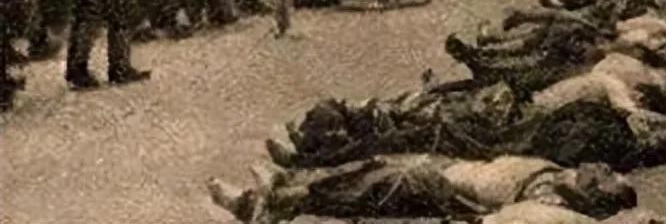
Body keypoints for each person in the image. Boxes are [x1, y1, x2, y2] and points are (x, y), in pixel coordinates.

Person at [208, 154, 638, 224]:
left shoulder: (556, 206)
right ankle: (285, 188)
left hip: (451, 196)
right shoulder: (560, 177)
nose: (600, 167)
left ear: (596, 197)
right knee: (379, 166)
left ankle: (268, 201)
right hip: (453, 170)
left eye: (604, 177)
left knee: (389, 179)